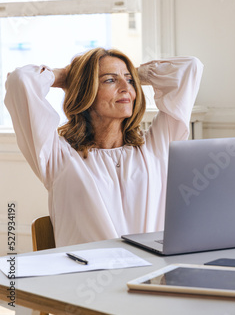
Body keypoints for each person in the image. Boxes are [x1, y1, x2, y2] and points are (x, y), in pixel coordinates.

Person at [4, 48, 203, 247]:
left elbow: (190, 68)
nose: (126, 88)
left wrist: (133, 74)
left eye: (130, 80)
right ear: (85, 90)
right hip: (85, 273)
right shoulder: (57, 156)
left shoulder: (154, 147)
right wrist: (68, 76)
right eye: (110, 80)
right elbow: (20, 80)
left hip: (146, 274)